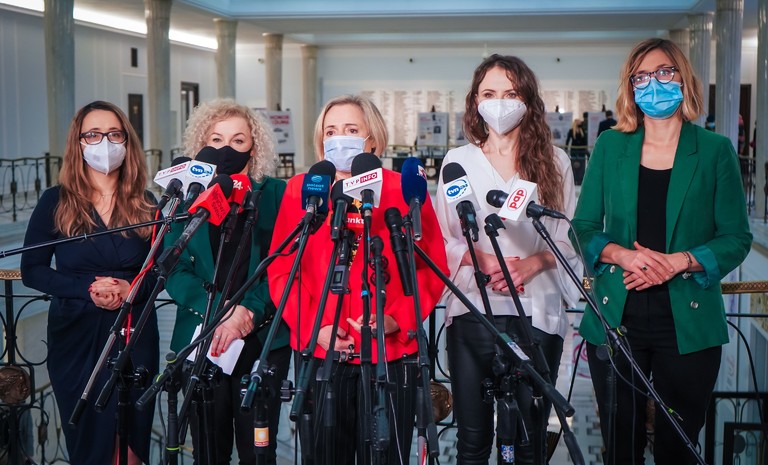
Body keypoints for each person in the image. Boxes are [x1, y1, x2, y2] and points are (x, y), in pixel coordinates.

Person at [570, 38, 752, 465]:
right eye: (642, 76)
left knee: (678, 449)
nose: (654, 83)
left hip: (688, 324)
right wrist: (623, 255)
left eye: (664, 72)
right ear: (630, 87)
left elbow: (736, 238)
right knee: (620, 448)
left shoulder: (714, 151)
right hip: (617, 321)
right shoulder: (611, 147)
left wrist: (679, 261)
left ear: (683, 79)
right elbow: (582, 228)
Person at [268, 94, 448, 465]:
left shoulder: (401, 189)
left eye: (351, 130)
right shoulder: (302, 190)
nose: (339, 138)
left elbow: (431, 266)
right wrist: (315, 327)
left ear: (373, 139)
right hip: (321, 352)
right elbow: (283, 270)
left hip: (390, 353)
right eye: (331, 131)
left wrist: (396, 318)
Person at [434, 54, 583, 464]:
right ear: (475, 101)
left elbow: (568, 239)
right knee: (472, 441)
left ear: (528, 100)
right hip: (473, 310)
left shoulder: (555, 162)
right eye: (489, 93)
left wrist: (530, 265)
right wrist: (479, 259)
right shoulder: (457, 163)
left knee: (527, 443)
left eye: (511, 93)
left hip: (535, 313)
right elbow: (443, 239)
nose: (499, 103)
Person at [21, 100, 159, 465]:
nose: (105, 143)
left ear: (127, 141)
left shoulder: (145, 202)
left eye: (114, 134)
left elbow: (161, 271)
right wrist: (85, 290)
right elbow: (32, 270)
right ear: (78, 142)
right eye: (93, 135)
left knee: (131, 448)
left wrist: (132, 290)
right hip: (77, 336)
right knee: (91, 446)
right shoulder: (55, 201)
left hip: (134, 332)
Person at [165, 99, 291, 465]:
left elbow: (285, 263)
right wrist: (219, 311)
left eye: (238, 140)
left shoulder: (277, 194)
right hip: (201, 337)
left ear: (254, 146)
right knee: (208, 452)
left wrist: (247, 312)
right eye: (216, 139)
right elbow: (173, 267)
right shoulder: (188, 197)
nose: (226, 149)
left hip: (261, 338)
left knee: (258, 454)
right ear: (201, 144)